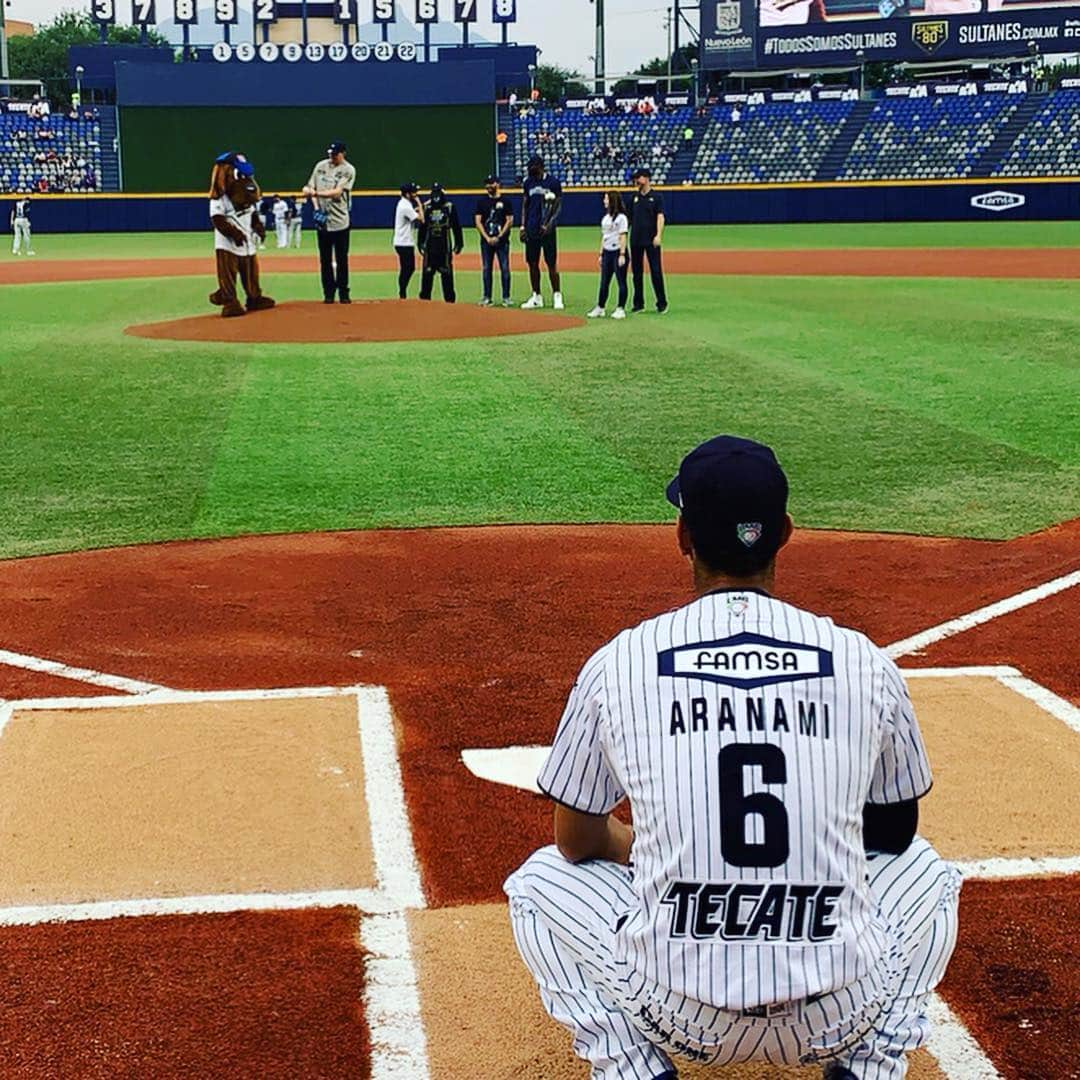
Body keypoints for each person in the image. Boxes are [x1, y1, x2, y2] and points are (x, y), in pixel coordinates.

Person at [506, 433, 962, 1080]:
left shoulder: (619, 662)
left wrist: (655, 847)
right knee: (930, 877)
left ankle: (632, 1069)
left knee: (536, 886)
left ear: (683, 536)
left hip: (677, 1018)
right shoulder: (863, 659)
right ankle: (869, 1067)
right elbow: (894, 832)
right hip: (838, 1013)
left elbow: (575, 840)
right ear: (785, 532)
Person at [303, 140, 356, 304]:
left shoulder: (348, 170)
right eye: (330, 154)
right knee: (324, 260)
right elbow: (308, 187)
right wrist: (316, 208)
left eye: (335, 154)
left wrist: (314, 193)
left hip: (340, 221)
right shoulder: (321, 166)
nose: (332, 157)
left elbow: (337, 193)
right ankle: (328, 293)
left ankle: (344, 293)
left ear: (342, 154)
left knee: (342, 259)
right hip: (323, 223)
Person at [520, 154, 564, 310]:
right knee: (532, 263)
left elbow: (557, 206)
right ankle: (536, 296)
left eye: (534, 168)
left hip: (547, 230)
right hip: (531, 228)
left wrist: (549, 225)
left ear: (541, 167)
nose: (532, 171)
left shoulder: (553, 182)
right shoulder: (528, 183)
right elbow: (525, 204)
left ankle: (557, 295)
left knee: (551, 263)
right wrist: (523, 226)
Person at [629, 167, 668, 314]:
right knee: (636, 273)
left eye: (638, 178)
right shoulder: (634, 198)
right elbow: (628, 218)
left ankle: (661, 302)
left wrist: (658, 235)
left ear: (646, 178)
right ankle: (638, 303)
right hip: (636, 239)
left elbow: (660, 216)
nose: (636, 181)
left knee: (656, 271)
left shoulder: (657, 197)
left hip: (651, 240)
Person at [417, 182, 463, 303]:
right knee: (427, 277)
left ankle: (450, 303)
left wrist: (459, 243)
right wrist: (420, 243)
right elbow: (422, 227)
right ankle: (424, 302)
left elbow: (456, 226)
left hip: (445, 249)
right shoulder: (427, 207)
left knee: (447, 277)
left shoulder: (449, 207)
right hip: (430, 248)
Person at [587, 190, 628, 320]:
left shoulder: (622, 218)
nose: (604, 201)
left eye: (606, 199)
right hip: (607, 252)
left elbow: (623, 236)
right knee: (604, 282)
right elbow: (604, 237)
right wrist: (601, 253)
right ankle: (600, 307)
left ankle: (620, 308)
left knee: (621, 281)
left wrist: (622, 254)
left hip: (617, 252)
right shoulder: (605, 218)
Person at [474, 174, 514, 307]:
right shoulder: (482, 202)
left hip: (502, 241)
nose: (488, 186)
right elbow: (478, 221)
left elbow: (509, 221)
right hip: (486, 241)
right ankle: (487, 297)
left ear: (497, 184)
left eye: (491, 183)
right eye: (487, 184)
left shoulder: (506, 201)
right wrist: (487, 237)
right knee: (486, 268)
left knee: (505, 268)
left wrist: (500, 236)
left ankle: (506, 297)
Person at [393, 181, 424, 299]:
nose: (416, 194)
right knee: (409, 268)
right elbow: (421, 219)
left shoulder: (404, 204)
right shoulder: (405, 205)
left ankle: (402, 292)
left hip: (401, 242)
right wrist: (420, 204)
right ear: (407, 194)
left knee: (406, 268)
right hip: (404, 243)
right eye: (413, 192)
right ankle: (402, 292)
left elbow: (412, 213)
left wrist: (416, 209)